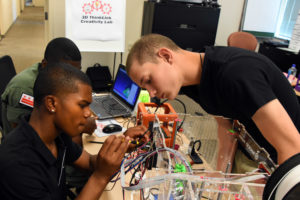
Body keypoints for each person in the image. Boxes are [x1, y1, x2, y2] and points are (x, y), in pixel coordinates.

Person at [126, 33, 300, 165]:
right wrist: (220, 176)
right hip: (257, 156)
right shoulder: (195, 83)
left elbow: (292, 148)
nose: (152, 94)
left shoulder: (235, 74)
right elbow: (226, 128)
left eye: (148, 80)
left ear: (166, 56)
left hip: (287, 163)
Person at [0, 63, 147, 199]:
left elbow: (89, 162)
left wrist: (122, 144)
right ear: (51, 103)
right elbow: (97, 171)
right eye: (82, 105)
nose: (88, 113)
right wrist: (101, 176)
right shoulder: (18, 163)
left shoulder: (56, 135)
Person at [1, 37, 96, 141]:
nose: (73, 78)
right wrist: (79, 126)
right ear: (45, 64)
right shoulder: (24, 89)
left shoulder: (56, 79)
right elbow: (23, 134)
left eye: (77, 71)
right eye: (66, 72)